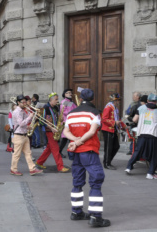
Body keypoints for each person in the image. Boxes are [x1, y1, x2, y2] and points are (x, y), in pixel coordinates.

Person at [63, 88, 110, 228]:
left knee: (77, 181)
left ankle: (76, 212)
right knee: (96, 180)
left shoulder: (71, 113)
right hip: (88, 150)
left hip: (76, 152)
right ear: (92, 98)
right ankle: (96, 217)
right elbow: (91, 131)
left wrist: (74, 141)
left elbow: (66, 131)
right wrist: (78, 141)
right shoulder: (94, 113)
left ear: (81, 98)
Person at [125, 93, 157, 179]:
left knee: (138, 151)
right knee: (155, 154)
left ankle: (128, 167)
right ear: (156, 101)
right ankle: (150, 173)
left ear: (147, 100)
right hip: (154, 134)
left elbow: (135, 120)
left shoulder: (141, 108)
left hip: (142, 133)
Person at [35, 93, 70, 173]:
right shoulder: (46, 108)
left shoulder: (55, 107)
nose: (57, 101)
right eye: (56, 99)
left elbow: (57, 117)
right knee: (55, 149)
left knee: (49, 148)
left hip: (55, 129)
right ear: (51, 100)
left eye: (57, 99)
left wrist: (60, 121)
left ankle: (39, 162)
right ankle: (60, 166)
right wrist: (52, 128)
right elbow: (43, 121)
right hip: (49, 130)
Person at [10, 95, 43, 176]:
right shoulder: (17, 112)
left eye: (25, 102)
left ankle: (32, 169)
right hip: (18, 136)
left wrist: (34, 117)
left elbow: (24, 122)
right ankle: (13, 169)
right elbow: (21, 123)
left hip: (24, 135)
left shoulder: (23, 111)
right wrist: (30, 117)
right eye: (23, 102)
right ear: (18, 102)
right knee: (17, 154)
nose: (25, 104)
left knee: (28, 153)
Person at [101, 93, 121, 170]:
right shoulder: (108, 107)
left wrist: (124, 126)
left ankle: (108, 161)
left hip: (113, 129)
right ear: (114, 101)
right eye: (118, 100)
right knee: (108, 148)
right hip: (107, 130)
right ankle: (106, 163)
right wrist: (114, 122)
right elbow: (104, 119)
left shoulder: (115, 108)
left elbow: (117, 119)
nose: (119, 102)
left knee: (116, 146)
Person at [59, 89, 77, 159]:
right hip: (66, 122)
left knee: (68, 139)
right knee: (65, 139)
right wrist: (73, 112)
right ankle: (62, 152)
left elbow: (74, 109)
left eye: (70, 92)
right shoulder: (65, 101)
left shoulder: (70, 101)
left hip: (71, 122)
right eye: (68, 93)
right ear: (64, 94)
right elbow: (64, 111)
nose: (70, 94)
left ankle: (71, 153)